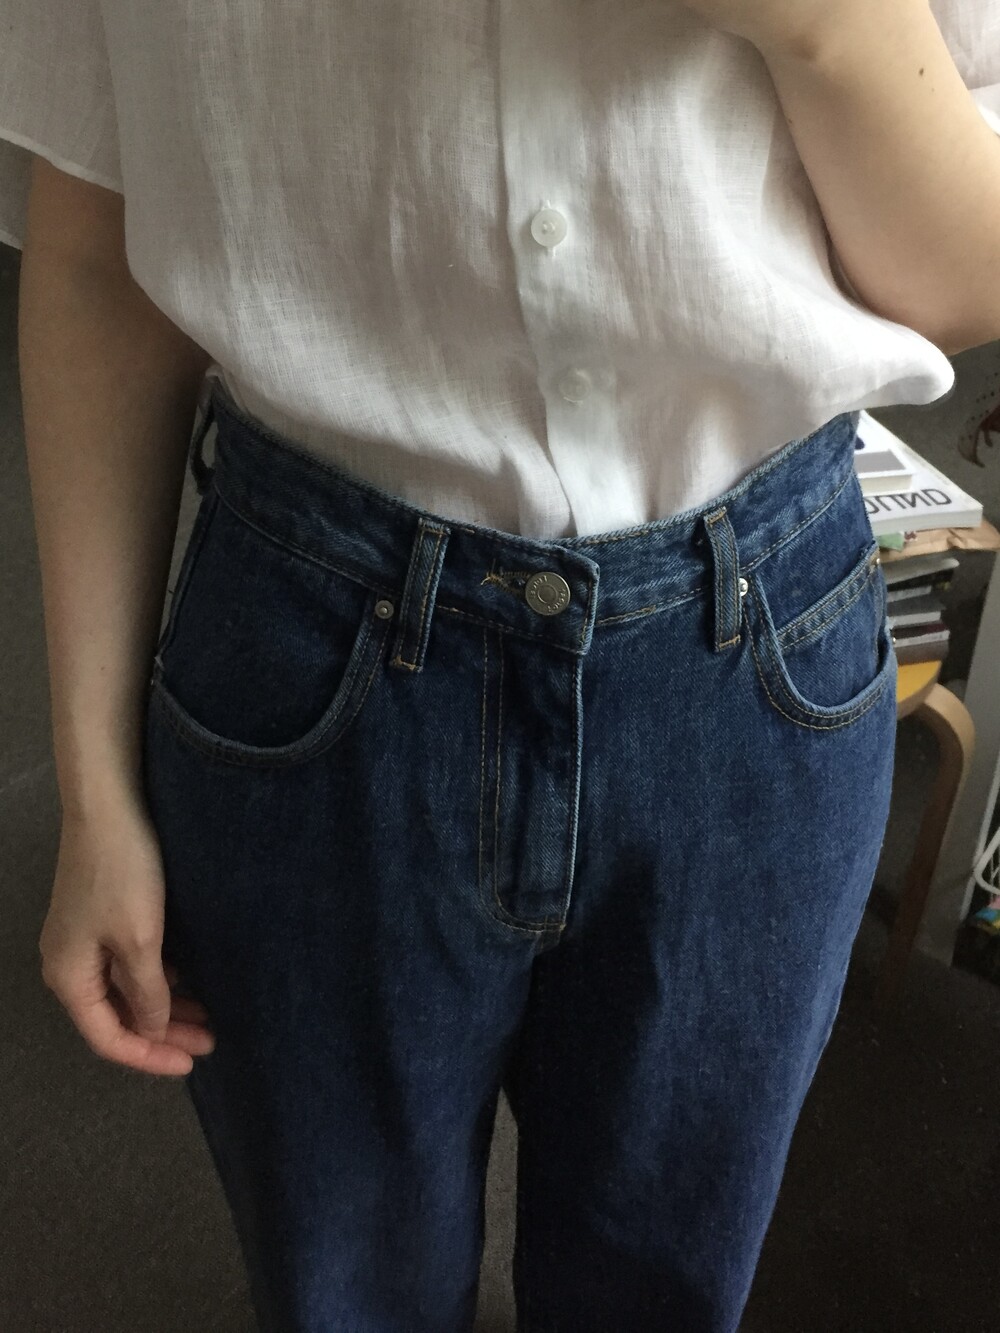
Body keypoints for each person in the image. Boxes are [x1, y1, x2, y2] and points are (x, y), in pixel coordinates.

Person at [3, 2, 999, 1329]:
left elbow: (967, 278)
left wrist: (825, 26)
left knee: (661, 1298)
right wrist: (93, 788)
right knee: (339, 1296)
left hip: (756, 650)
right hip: (314, 657)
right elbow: (93, 253)